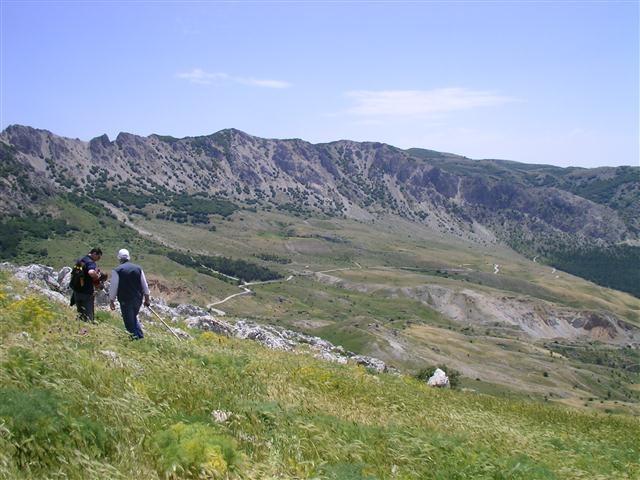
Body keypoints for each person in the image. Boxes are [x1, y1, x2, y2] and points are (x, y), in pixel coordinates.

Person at [109, 248, 150, 340]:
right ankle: (140, 337)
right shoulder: (138, 268)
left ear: (119, 258)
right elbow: (145, 285)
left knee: (128, 322)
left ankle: (135, 339)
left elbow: (113, 287)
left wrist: (111, 301)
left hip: (125, 299)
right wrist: (147, 299)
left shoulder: (117, 270)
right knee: (133, 318)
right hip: (138, 299)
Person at [73, 247, 104, 323]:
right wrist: (97, 276)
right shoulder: (90, 262)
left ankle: (80, 327)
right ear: (94, 253)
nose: (98, 259)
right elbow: (91, 272)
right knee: (89, 317)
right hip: (86, 292)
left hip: (77, 291)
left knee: (80, 314)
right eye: (98, 257)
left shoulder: (80, 260)